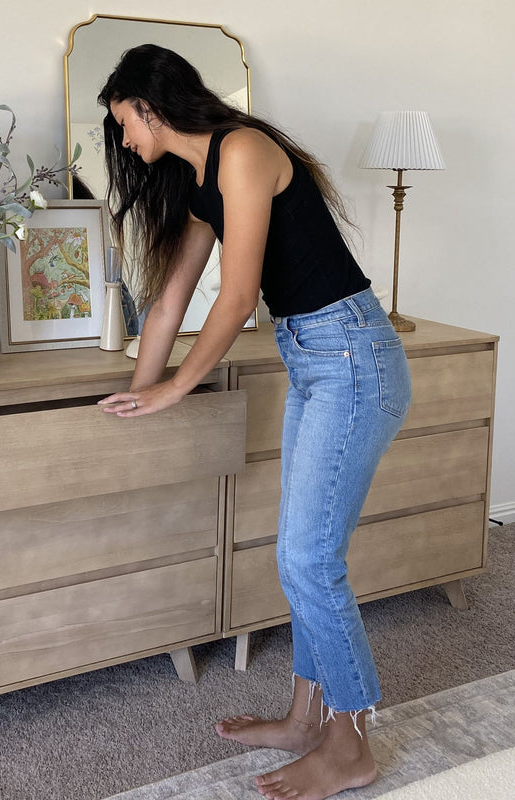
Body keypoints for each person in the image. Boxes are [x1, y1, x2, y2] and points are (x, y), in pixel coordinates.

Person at [96, 44, 412, 800]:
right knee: (305, 555)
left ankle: (351, 745)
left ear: (150, 104)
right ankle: (308, 723)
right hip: (315, 361)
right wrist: (134, 395)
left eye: (123, 125)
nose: (127, 143)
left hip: (355, 358)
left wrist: (174, 391)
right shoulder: (200, 181)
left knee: (308, 560)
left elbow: (235, 300)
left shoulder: (242, 151)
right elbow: (171, 299)